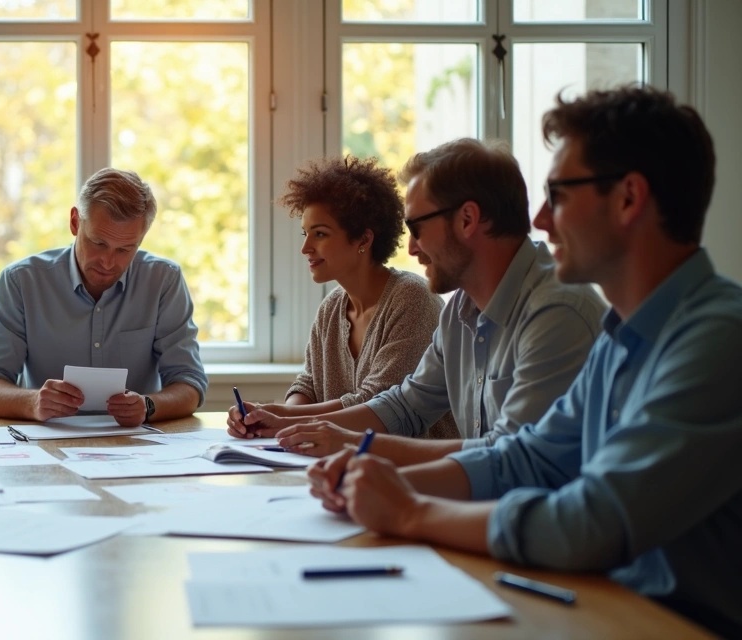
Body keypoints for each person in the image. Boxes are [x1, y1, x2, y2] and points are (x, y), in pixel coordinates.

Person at [308, 86, 742, 637]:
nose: (539, 217)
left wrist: (409, 511)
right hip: (608, 606)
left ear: (629, 199)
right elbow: (527, 459)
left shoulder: (717, 339)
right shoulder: (621, 337)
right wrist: (382, 481)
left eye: (558, 194)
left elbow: (593, 521)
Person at [236, 138, 606, 467]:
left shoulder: (556, 312)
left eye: (418, 228)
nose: (410, 248)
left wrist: (358, 451)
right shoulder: (462, 308)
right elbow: (407, 405)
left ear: (467, 219)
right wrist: (295, 425)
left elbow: (508, 459)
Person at [226, 155, 456, 438]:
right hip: (346, 465)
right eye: (305, 234)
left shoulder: (413, 299)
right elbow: (308, 385)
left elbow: (376, 403)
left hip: (411, 471)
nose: (305, 248)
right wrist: (269, 416)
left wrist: (282, 418)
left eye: (320, 234)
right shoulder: (332, 306)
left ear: (363, 239)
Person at [0, 168, 208, 426]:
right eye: (98, 243)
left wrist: (148, 407)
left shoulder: (163, 280)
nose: (108, 262)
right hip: (46, 445)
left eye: (125, 249)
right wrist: (33, 402)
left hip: (137, 446)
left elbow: (189, 384)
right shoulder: (21, 281)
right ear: (75, 222)